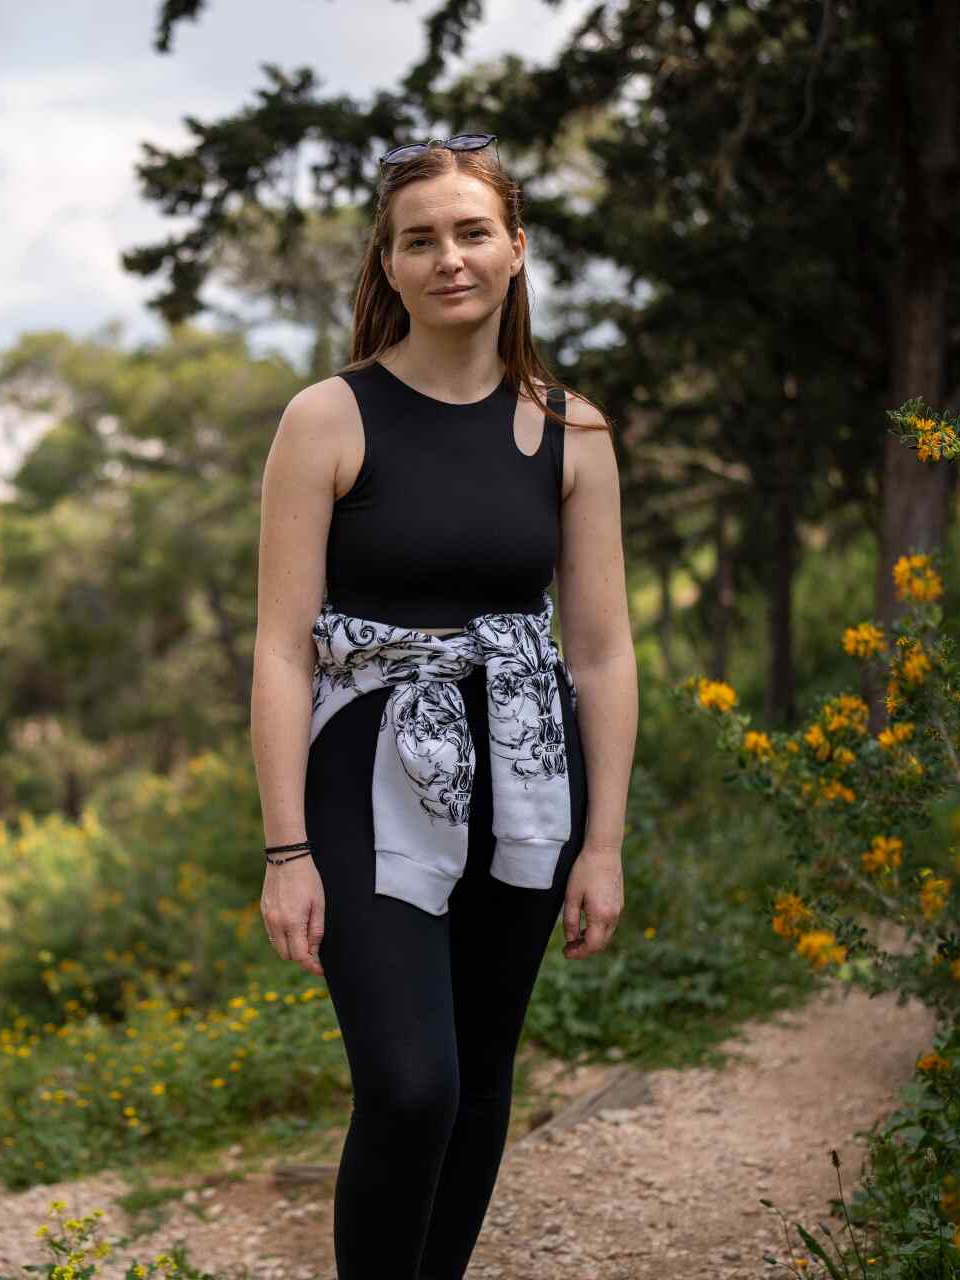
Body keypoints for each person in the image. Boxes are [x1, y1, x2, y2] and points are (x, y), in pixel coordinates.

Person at [248, 133, 638, 1278]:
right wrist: (284, 848)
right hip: (365, 774)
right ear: (390, 262)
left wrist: (603, 841)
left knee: (476, 1079)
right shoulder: (327, 417)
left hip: (525, 776)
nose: (448, 257)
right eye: (420, 239)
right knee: (412, 1083)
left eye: (473, 232)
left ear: (516, 249)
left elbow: (605, 652)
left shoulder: (573, 430)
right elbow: (279, 649)